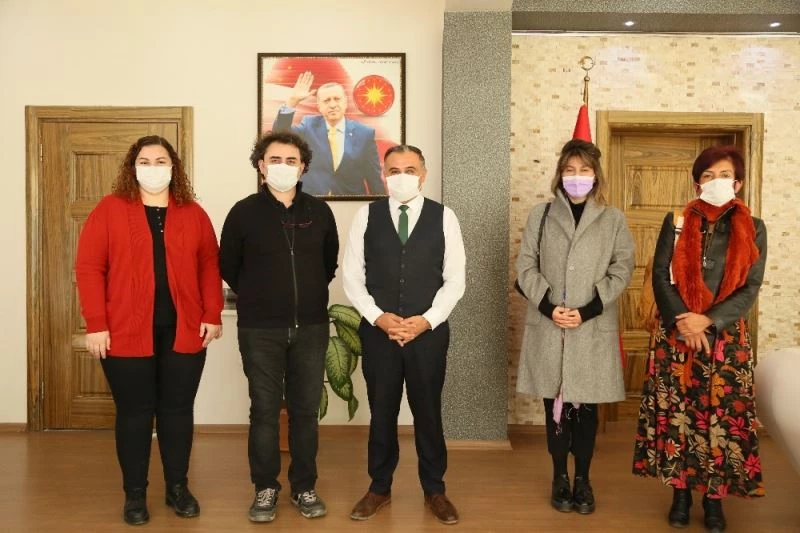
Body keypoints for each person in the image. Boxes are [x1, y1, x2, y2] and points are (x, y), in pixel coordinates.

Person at [75, 135, 223, 526]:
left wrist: (212, 314)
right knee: (135, 413)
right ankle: (135, 495)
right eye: (145, 161)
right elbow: (89, 268)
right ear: (132, 167)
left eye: (161, 161)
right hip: (123, 331)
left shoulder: (193, 213)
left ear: (174, 168)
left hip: (185, 330)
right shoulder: (110, 209)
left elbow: (210, 266)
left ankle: (178, 488)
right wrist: (96, 324)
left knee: (177, 411)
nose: (153, 168)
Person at [633, 145, 767, 532]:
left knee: (719, 419)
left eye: (724, 175)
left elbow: (750, 286)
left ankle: (714, 500)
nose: (715, 181)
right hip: (676, 336)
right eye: (707, 176)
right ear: (697, 184)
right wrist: (684, 323)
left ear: (737, 183)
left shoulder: (755, 227)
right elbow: (661, 276)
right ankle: (680, 495)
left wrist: (707, 321)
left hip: (724, 339)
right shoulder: (675, 222)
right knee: (678, 416)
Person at [219, 131, 339, 523]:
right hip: (260, 330)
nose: (283, 167)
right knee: (265, 411)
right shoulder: (243, 212)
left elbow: (328, 264)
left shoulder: (319, 212)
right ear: (261, 165)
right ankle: (265, 487)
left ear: (303, 167)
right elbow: (229, 266)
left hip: (311, 327)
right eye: (275, 160)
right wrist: (262, 295)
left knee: (305, 412)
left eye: (291, 160)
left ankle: (304, 486)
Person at [342, 145, 466, 525]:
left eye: (410, 169)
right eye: (394, 170)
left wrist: (426, 320)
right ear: (384, 175)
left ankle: (435, 490)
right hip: (379, 334)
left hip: (427, 335)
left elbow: (455, 280)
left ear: (423, 175)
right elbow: (352, 276)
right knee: (382, 412)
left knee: (428, 412)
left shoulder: (444, 217)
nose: (402, 176)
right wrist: (379, 318)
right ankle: (379, 487)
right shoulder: (367, 216)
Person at [516, 139, 634, 516]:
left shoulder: (613, 219)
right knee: (555, 408)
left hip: (591, 327)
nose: (577, 176)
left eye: (584, 170)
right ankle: (559, 477)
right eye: (570, 170)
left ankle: (583, 478)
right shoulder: (541, 215)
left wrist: (587, 310)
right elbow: (525, 268)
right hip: (549, 326)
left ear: (596, 175)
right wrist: (550, 308)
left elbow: (622, 270)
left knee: (585, 412)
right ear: (560, 174)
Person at [272, 71, 383, 196]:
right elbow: (279, 135)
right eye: (326, 100)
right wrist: (292, 102)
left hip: (350, 202)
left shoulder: (365, 134)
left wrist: (381, 205)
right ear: (319, 106)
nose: (332, 105)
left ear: (345, 102)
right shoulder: (308, 126)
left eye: (337, 99)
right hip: (313, 201)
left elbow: (374, 177)